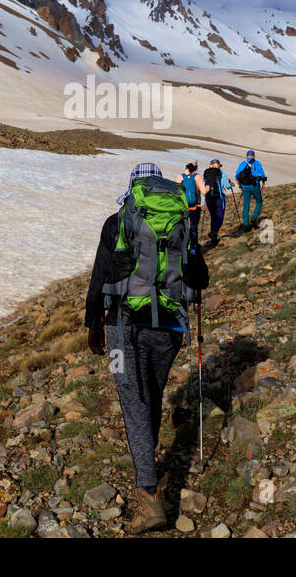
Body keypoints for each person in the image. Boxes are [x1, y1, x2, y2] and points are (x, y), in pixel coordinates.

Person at [85, 162, 209, 533]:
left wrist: (94, 324)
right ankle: (149, 465)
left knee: (134, 403)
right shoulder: (181, 221)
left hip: (124, 326)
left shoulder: (118, 221)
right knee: (151, 397)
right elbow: (200, 276)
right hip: (169, 327)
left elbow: (100, 275)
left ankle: (149, 495)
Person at [201, 159, 231, 246]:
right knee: (220, 218)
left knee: (213, 217)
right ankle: (213, 233)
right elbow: (228, 186)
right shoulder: (222, 174)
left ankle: (213, 239)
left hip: (209, 198)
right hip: (219, 198)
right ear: (217, 166)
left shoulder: (206, 174)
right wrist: (229, 183)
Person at [234, 150, 267, 231]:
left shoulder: (242, 164)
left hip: (245, 187)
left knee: (246, 205)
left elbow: (236, 177)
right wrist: (263, 184)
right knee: (259, 201)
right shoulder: (257, 163)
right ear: (254, 156)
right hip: (254, 185)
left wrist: (240, 186)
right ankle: (254, 218)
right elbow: (262, 175)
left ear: (246, 156)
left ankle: (246, 225)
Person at [180, 162, 202, 245]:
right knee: (193, 227)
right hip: (194, 206)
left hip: (183, 207)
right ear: (195, 168)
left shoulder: (181, 177)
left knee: (182, 227)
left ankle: (183, 245)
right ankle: (194, 246)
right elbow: (202, 191)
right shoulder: (197, 177)